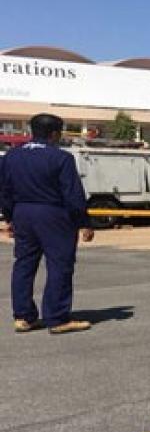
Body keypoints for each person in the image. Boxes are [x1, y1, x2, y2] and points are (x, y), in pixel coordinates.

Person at [0, 114, 94, 334]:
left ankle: (23, 317)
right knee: (60, 264)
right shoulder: (60, 158)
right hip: (53, 214)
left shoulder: (11, 157)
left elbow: (4, 190)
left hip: (23, 212)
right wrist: (84, 222)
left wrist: (10, 217)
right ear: (54, 133)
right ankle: (57, 317)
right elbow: (72, 194)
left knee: (24, 264)